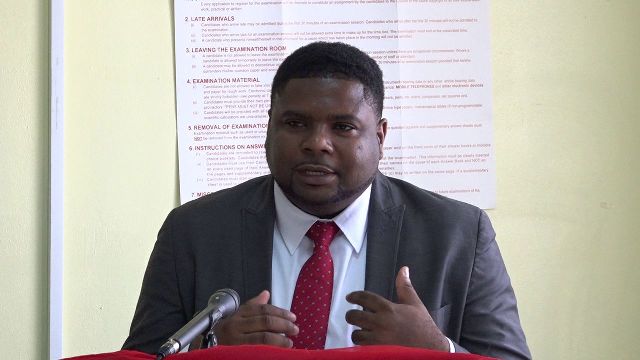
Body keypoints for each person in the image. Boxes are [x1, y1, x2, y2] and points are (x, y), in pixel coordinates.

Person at [123, 41, 531, 359]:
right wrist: (209, 351)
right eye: (296, 123)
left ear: (380, 136)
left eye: (343, 127)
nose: (317, 143)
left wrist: (438, 351)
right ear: (269, 128)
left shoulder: (459, 234)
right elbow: (139, 358)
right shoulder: (193, 232)